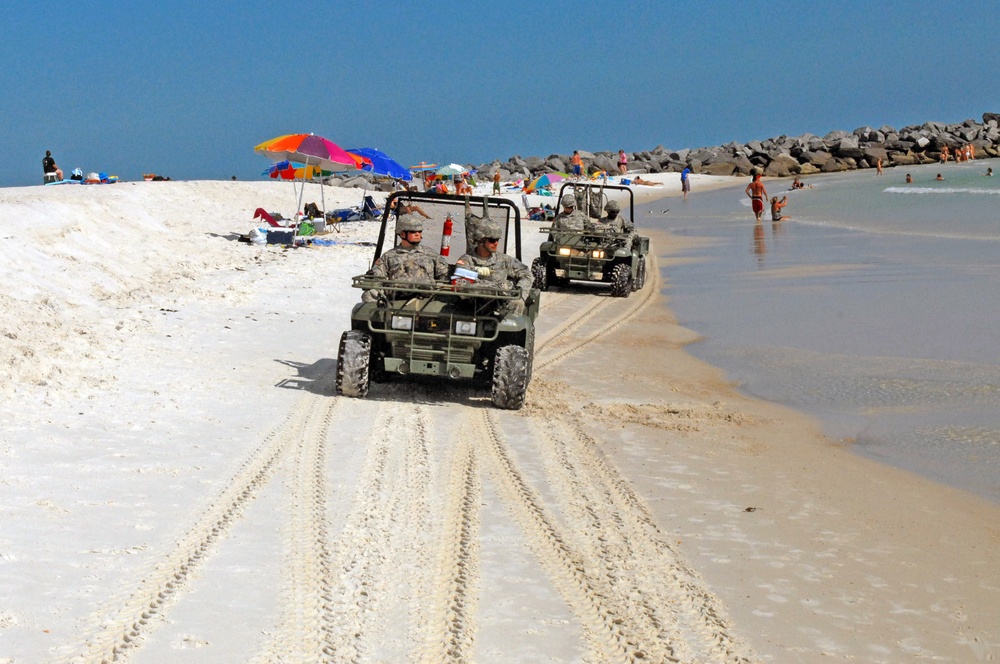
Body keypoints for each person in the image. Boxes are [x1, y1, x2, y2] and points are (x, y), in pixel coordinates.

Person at [361, 215, 449, 302]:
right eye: (413, 232)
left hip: (426, 300)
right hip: (394, 299)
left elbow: (444, 275)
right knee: (368, 295)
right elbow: (377, 276)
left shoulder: (430, 255)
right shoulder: (389, 256)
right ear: (403, 234)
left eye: (419, 231)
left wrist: (439, 287)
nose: (418, 234)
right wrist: (372, 278)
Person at [455, 219, 533, 314]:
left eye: (497, 240)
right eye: (492, 240)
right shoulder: (466, 260)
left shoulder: (504, 260)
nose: (496, 243)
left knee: (517, 303)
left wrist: (520, 293)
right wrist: (500, 288)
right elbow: (461, 285)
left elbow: (527, 274)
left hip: (500, 306)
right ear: (481, 240)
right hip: (473, 307)